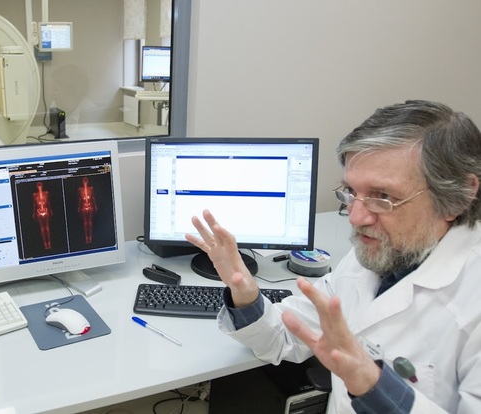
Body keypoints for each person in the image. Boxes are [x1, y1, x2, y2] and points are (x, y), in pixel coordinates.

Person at [186, 100, 481, 413]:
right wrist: (245, 294)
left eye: (383, 196)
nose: (355, 217)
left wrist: (372, 385)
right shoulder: (372, 258)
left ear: (458, 197)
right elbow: (281, 339)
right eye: (351, 192)